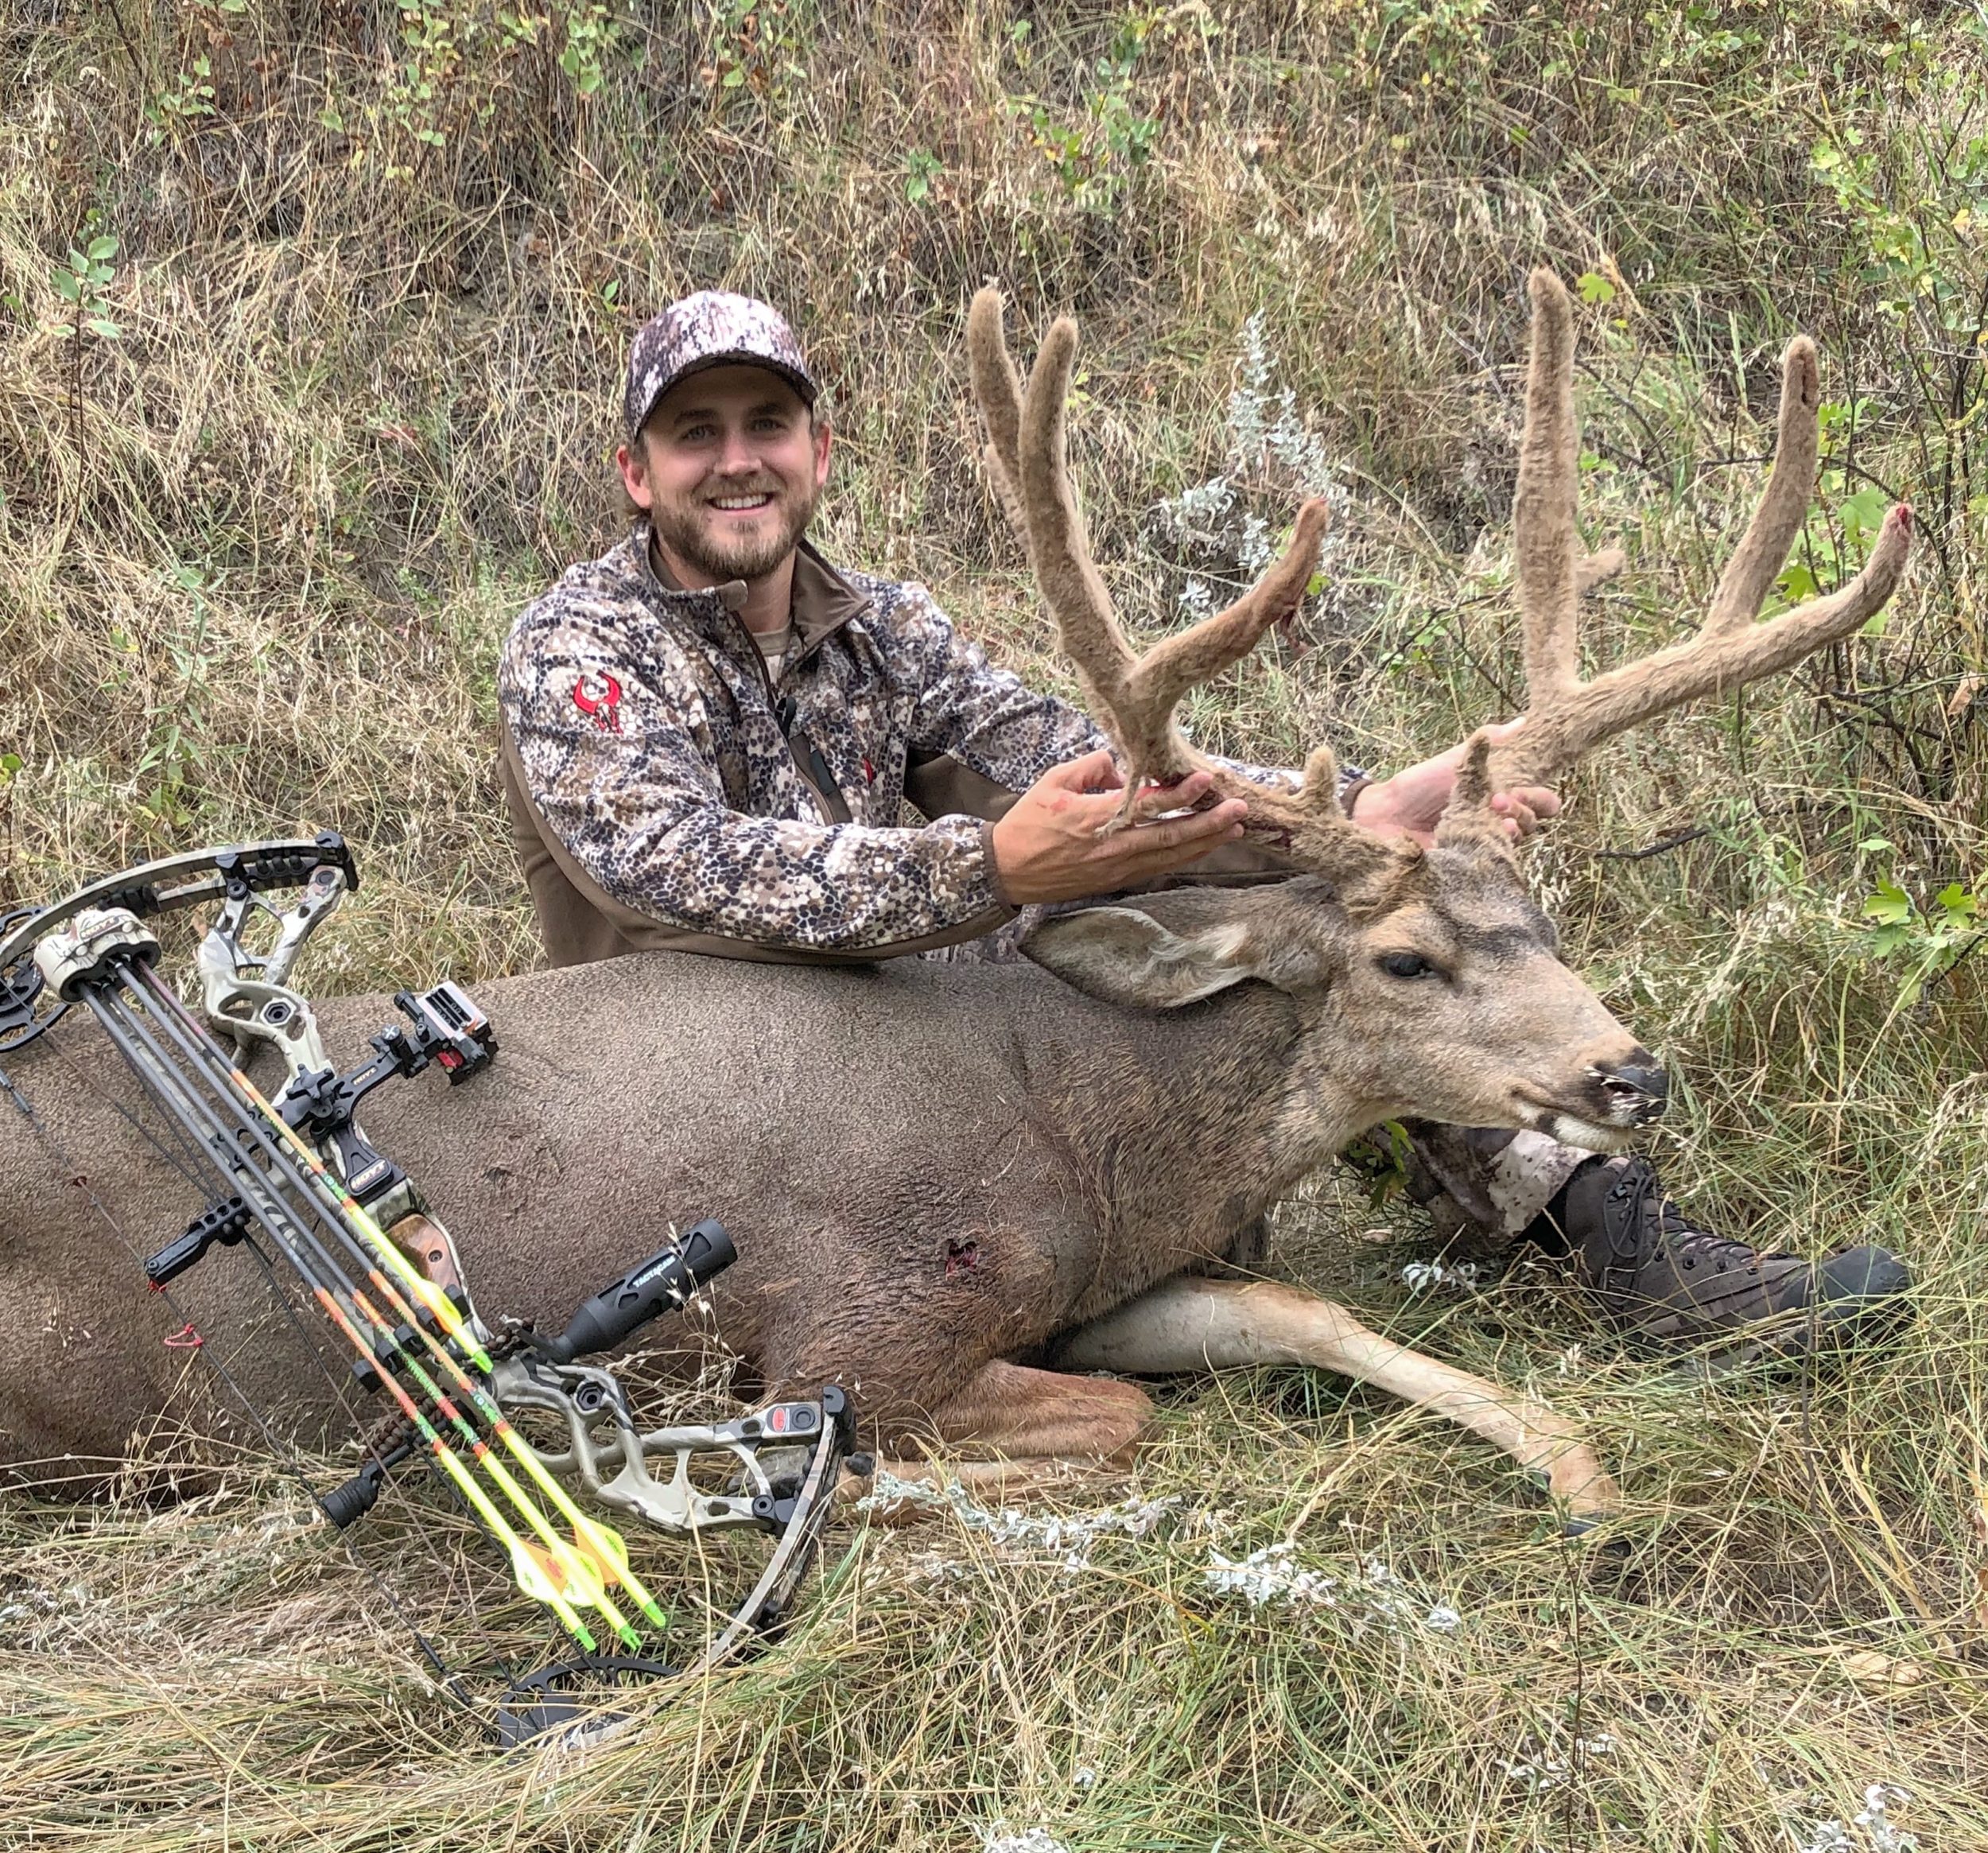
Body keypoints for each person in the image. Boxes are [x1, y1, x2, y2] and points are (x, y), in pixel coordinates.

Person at [498, 290, 1910, 1353]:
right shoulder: (581, 645)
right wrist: (990, 866)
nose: (735, 464)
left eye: (765, 429)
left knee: (1342, 926)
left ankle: (1601, 1229)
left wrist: (1353, 822)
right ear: (639, 471)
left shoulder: (885, 632)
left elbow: (1099, 773)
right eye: (697, 436)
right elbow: (670, 864)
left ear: (815, 450)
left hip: (903, 1034)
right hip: (695, 1075)